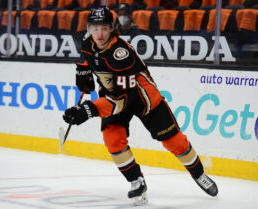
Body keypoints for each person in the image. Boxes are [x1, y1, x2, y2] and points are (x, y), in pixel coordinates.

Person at [63, 6, 218, 205]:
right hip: (113, 96)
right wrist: (83, 74)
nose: (99, 34)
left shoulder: (121, 54)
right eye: (94, 28)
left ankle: (199, 174)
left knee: (174, 141)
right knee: (112, 139)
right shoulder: (87, 41)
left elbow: (122, 100)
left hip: (144, 99)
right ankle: (137, 181)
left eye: (103, 28)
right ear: (88, 28)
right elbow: (86, 59)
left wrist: (88, 110)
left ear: (112, 28)